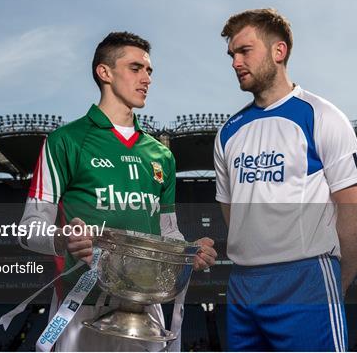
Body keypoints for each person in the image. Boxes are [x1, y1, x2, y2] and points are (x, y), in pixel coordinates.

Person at [19, 31, 217, 351]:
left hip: (145, 308)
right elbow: (28, 229)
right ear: (105, 72)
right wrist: (62, 238)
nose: (147, 78)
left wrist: (187, 253)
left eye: (149, 71)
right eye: (136, 68)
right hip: (81, 306)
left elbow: (169, 232)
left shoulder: (161, 155)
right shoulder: (65, 141)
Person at [214, 9, 357, 351]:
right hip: (243, 285)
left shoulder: (322, 116)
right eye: (231, 55)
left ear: (278, 51)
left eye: (244, 51)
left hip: (305, 279)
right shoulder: (228, 133)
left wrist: (334, 284)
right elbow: (233, 214)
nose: (235, 62)